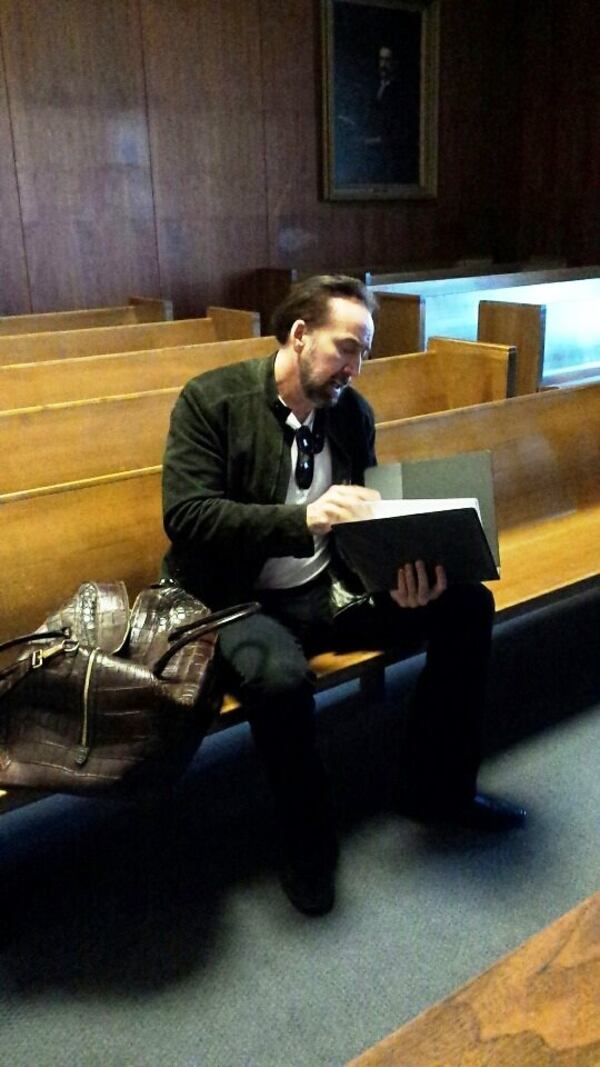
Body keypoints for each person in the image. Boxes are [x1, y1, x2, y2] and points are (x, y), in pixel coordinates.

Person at [162, 275, 526, 917]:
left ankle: (436, 789)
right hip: (236, 601)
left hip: (328, 591)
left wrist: (401, 575)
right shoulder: (211, 400)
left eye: (365, 353)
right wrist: (303, 520)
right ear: (299, 335)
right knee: (278, 680)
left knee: (466, 606)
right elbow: (188, 517)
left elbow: (361, 523)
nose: (355, 368)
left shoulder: (350, 411)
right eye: (346, 348)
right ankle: (309, 843)